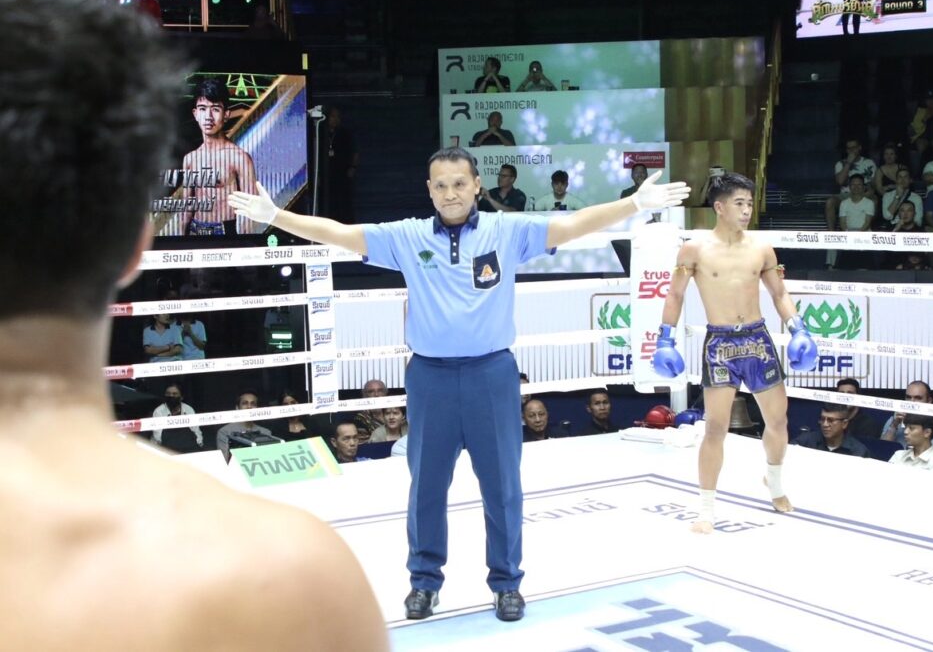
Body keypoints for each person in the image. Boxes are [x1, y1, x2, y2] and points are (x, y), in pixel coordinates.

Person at [0, 0, 386, 650]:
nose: (207, 115)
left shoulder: (234, 158)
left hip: (227, 264)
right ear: (133, 241)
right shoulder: (288, 581)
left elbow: (247, 212)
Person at [229, 145, 688, 622]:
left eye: (459, 183)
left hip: (492, 374)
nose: (451, 193)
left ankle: (507, 584)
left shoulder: (506, 231)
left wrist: (634, 204)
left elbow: (573, 225)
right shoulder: (407, 236)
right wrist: (277, 215)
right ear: (430, 190)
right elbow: (341, 234)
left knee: (503, 486)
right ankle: (424, 583)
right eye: (442, 185)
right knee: (426, 486)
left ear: (476, 186)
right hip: (430, 378)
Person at [651, 171, 818, 533]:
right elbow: (675, 294)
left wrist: (798, 329)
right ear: (719, 207)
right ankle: (706, 509)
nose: (746, 210)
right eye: (739, 203)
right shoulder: (694, 249)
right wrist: (664, 340)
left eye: (749, 204)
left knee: (777, 420)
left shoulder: (761, 249)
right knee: (715, 427)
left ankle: (774, 483)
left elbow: (779, 293)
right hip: (720, 344)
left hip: (757, 339)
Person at [178, 78, 258, 236]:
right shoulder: (190, 159)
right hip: (195, 230)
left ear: (226, 114)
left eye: (215, 109)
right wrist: (179, 242)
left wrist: (244, 243)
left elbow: (250, 210)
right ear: (195, 114)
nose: (208, 116)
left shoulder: (239, 158)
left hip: (225, 231)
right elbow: (187, 207)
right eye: (202, 109)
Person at [881, 381, 933, 447]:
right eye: (908, 397)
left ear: (929, 401)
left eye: (918, 398)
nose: (912, 402)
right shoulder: (894, 420)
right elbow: (882, 448)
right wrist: (894, 426)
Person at [215, 391, 275, 462]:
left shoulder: (266, 432)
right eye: (245, 403)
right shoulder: (225, 431)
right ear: (237, 408)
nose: (249, 407)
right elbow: (224, 461)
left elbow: (269, 458)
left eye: (253, 404)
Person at [792, 404, 870, 457]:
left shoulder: (858, 452)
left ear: (844, 424)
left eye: (831, 420)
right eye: (822, 419)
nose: (825, 424)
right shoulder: (805, 441)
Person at [325, 106, 359, 222]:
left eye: (338, 117)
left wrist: (352, 167)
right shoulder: (321, 133)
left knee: (344, 201)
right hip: (327, 174)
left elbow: (355, 151)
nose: (335, 119)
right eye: (333, 116)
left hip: (343, 173)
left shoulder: (345, 134)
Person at [152, 383, 204, 453]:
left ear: (181, 397)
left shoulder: (189, 409)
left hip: (188, 447)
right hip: (165, 448)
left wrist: (198, 444)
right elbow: (158, 436)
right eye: (168, 394)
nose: (171, 396)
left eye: (175, 394)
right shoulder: (158, 411)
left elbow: (196, 431)